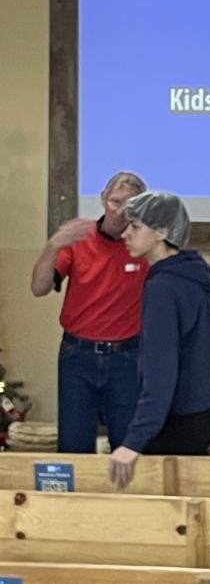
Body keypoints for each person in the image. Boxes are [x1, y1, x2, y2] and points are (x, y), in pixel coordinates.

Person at [108, 192, 210, 488]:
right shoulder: (196, 276)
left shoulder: (164, 287)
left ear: (161, 232)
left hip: (176, 420)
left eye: (135, 226)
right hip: (205, 410)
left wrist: (133, 442)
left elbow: (160, 371)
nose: (125, 233)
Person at [30, 171, 147, 452]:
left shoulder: (145, 244)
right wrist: (53, 245)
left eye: (130, 205)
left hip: (128, 357)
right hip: (77, 356)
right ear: (104, 199)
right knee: (73, 445)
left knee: (128, 447)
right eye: (115, 202)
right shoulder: (79, 239)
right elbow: (39, 288)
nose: (120, 212)